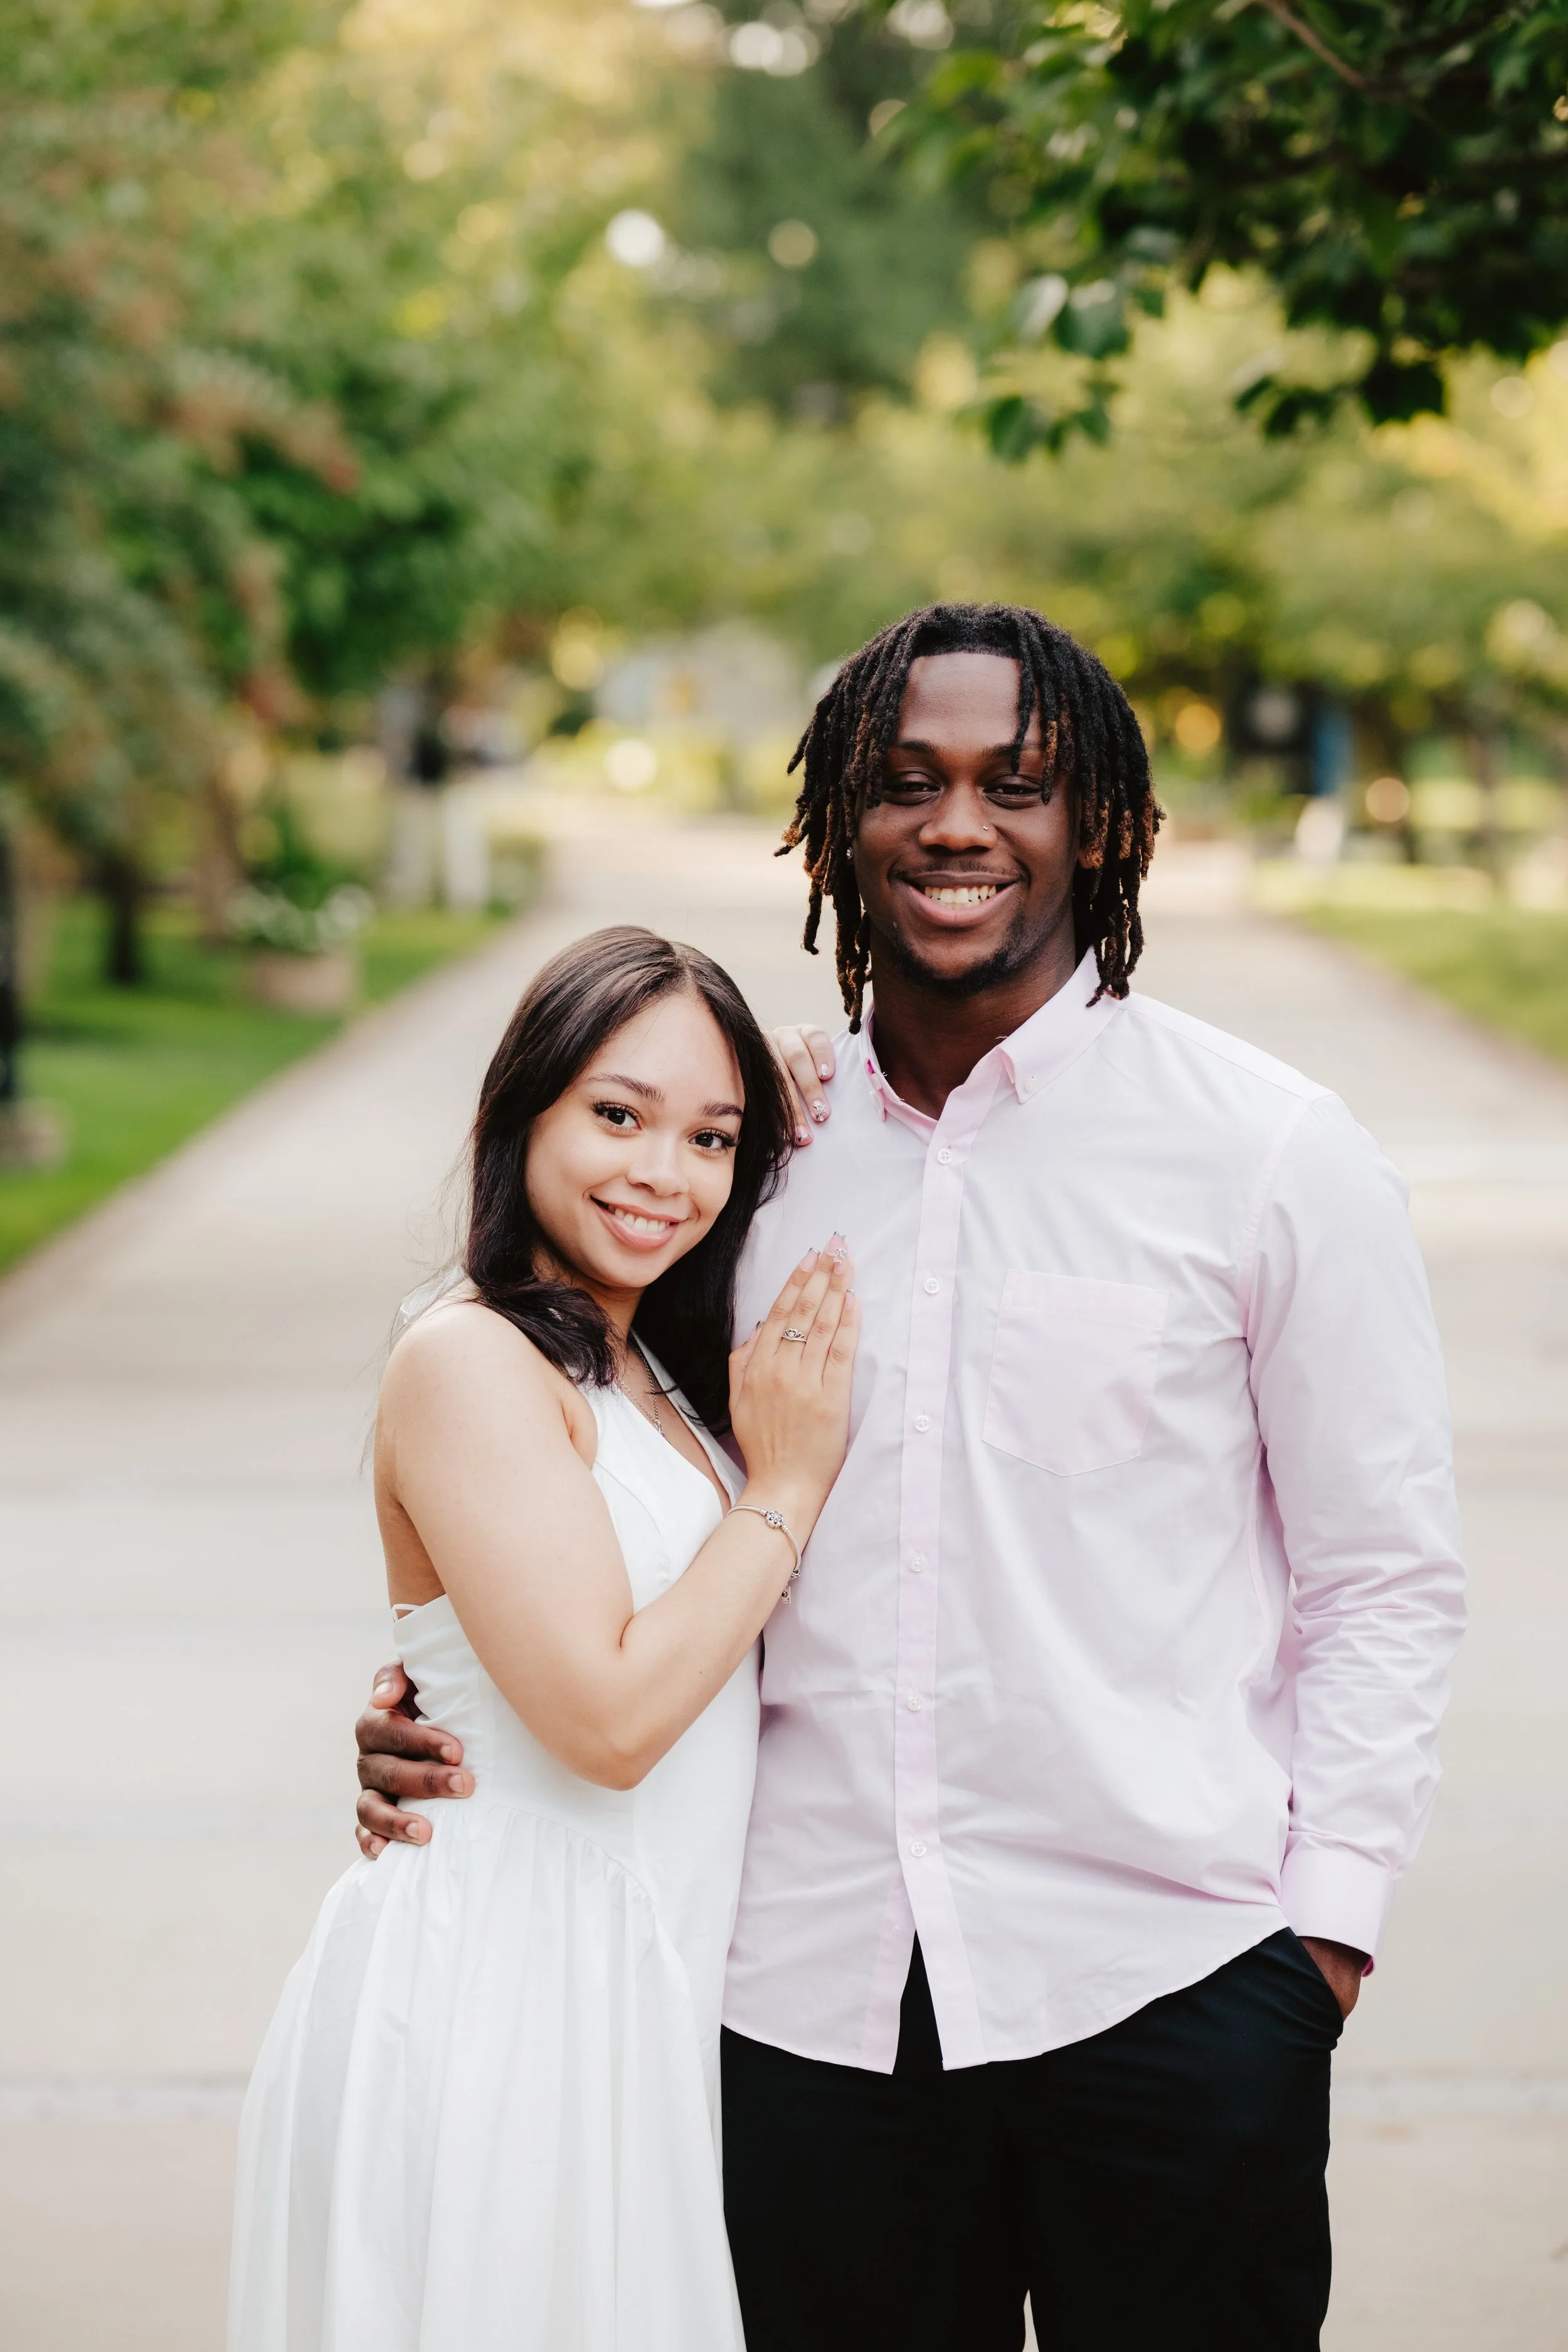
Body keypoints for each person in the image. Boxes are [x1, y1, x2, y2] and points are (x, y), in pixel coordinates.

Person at [353, 603, 1465, 2351]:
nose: (956, 822)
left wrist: (1316, 1943)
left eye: (1014, 782)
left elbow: (1382, 1573)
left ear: (1099, 823)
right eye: (905, 781)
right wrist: (447, 1692)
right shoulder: (748, 1163)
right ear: (832, 826)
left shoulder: (1267, 1152)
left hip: (1166, 1983)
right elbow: (603, 1468)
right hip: (804, 2013)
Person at [229, 926, 859, 2352]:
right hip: (505, 1997)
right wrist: (788, 1485)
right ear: (522, 1111)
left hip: (628, 1990)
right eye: (614, 1115)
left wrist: (793, 1080)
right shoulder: (469, 1358)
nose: (660, 1174)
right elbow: (607, 1721)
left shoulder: (641, 1365)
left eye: (711, 1139)